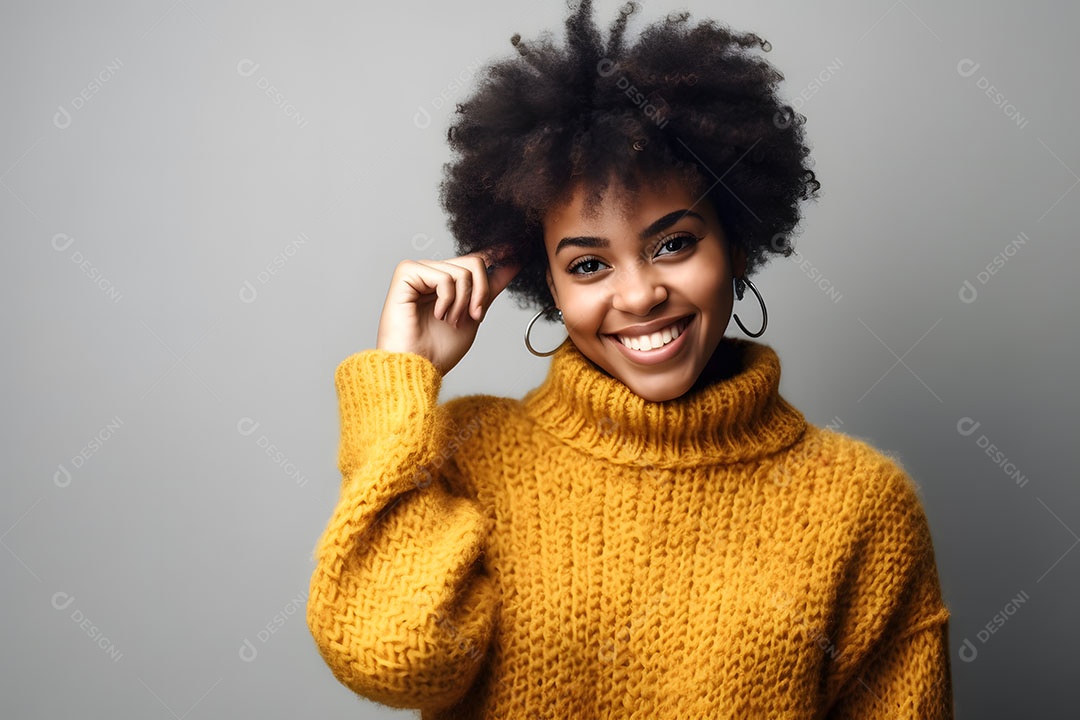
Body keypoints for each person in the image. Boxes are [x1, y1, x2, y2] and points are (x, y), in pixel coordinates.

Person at [305, 1, 954, 717]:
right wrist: (403, 385)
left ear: (734, 244)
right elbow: (390, 659)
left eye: (673, 244)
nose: (640, 294)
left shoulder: (861, 505)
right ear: (545, 285)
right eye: (588, 266)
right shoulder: (466, 453)